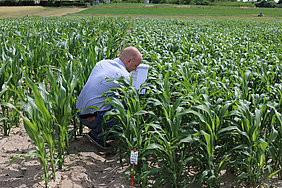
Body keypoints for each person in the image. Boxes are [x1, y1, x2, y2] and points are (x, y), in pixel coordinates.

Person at [76, 46, 143, 150]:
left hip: (80, 113)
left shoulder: (103, 63)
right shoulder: (123, 76)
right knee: (128, 112)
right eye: (135, 66)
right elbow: (129, 102)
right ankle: (98, 135)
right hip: (93, 118)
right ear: (129, 61)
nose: (136, 69)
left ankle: (102, 130)